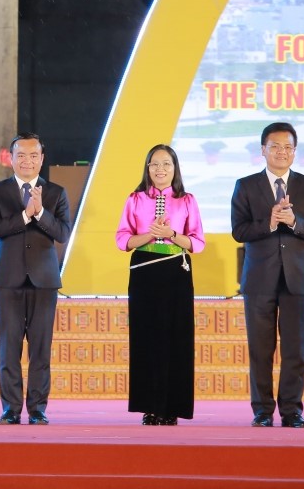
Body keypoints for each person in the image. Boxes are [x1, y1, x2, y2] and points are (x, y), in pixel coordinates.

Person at [231, 122, 304, 429]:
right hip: (259, 279)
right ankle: (262, 411)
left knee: (294, 350)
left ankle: (292, 411)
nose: (282, 152)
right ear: (263, 150)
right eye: (275, 147)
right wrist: (270, 223)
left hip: (297, 280)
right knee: (260, 350)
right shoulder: (246, 186)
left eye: (288, 147)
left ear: (295, 152)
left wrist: (295, 221)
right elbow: (239, 231)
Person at [0, 133, 72, 425]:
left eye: (34, 155)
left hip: (44, 280)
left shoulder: (56, 193)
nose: (27, 161)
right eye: (21, 155)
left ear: (42, 159)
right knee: (9, 348)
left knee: (40, 349)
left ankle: (37, 409)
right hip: (7, 280)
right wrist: (24, 215)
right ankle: (10, 409)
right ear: (11, 158)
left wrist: (41, 212)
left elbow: (62, 233)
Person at [115, 144, 205, 426]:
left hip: (176, 271)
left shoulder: (187, 200)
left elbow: (198, 243)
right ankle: (150, 407)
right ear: (147, 168)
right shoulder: (135, 199)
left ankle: (172, 408)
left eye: (166, 164)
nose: (160, 169)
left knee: (176, 338)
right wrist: (149, 235)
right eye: (154, 164)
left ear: (175, 168)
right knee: (147, 337)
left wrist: (171, 233)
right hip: (144, 271)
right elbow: (122, 240)